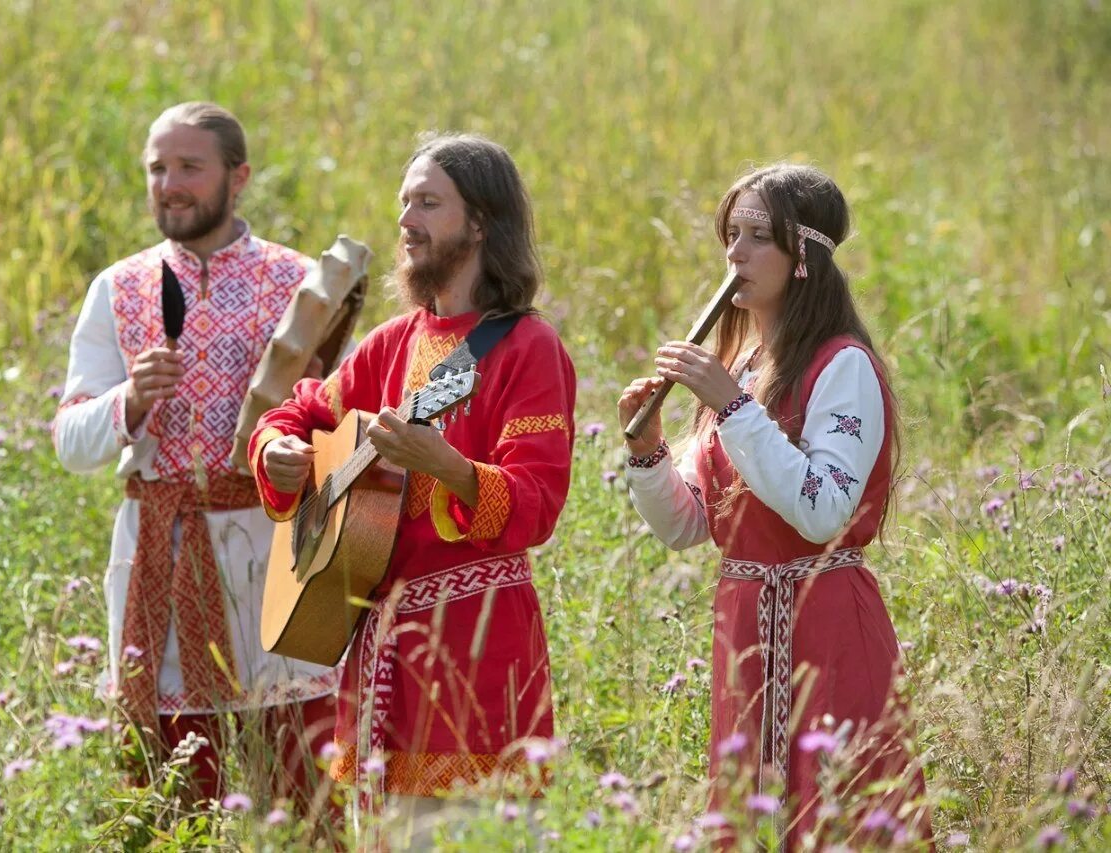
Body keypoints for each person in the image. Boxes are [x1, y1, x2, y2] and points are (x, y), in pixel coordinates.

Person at [249, 133, 575, 840]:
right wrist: (278, 449)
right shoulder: (390, 343)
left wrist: (448, 466)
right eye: (404, 202)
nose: (406, 219)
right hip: (379, 657)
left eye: (429, 202)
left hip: (480, 652)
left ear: (481, 223)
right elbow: (299, 410)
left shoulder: (527, 349)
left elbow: (539, 501)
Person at [618, 164, 933, 848]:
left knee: (841, 818)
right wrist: (647, 451)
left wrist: (733, 407)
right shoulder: (743, 367)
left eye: (759, 235)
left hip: (826, 624)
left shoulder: (841, 364)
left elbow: (824, 510)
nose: (735, 253)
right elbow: (690, 524)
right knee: (752, 824)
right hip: (745, 628)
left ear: (803, 258)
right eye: (731, 233)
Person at [53, 102, 338, 807]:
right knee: (171, 792)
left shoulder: (302, 284)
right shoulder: (117, 287)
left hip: (277, 551)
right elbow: (70, 440)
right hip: (160, 551)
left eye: (189, 166)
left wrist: (297, 450)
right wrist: (127, 405)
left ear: (237, 178)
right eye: (156, 168)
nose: (169, 183)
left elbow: (343, 418)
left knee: (301, 792)